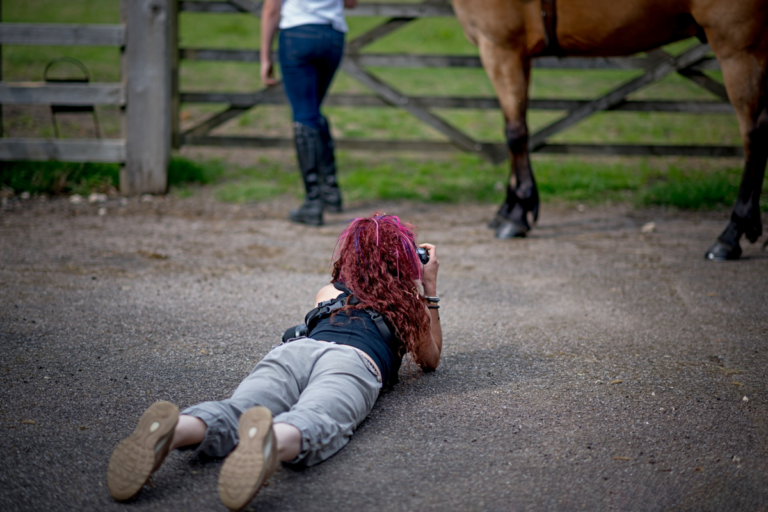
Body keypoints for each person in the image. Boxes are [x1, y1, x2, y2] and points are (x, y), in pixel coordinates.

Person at [107, 214, 443, 510]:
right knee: (318, 418)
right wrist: (429, 287)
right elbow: (430, 359)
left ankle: (177, 429)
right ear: (406, 262)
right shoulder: (406, 310)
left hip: (296, 350)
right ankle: (272, 441)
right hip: (353, 362)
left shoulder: (327, 292)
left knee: (238, 408)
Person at [260, 0, 357, 226]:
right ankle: (330, 192)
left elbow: (271, 8)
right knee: (312, 111)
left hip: (297, 34)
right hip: (332, 36)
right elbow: (351, 3)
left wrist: (265, 57)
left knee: (305, 115)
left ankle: (313, 203)